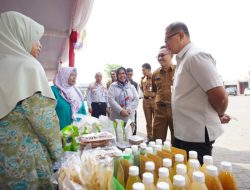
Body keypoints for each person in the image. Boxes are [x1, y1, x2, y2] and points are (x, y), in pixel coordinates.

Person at [0, 11, 62, 189]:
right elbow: (44, 122)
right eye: (35, 38)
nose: (40, 45)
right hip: (25, 164)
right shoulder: (28, 67)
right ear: (18, 36)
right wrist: (58, 153)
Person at [165, 22, 230, 164]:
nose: (166, 44)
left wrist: (219, 114)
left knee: (197, 178)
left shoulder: (196, 56)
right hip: (185, 132)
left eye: (167, 39)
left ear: (181, 35)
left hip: (197, 135)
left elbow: (220, 97)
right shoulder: (183, 59)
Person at [152, 46, 175, 144]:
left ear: (171, 55)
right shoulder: (155, 73)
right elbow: (155, 90)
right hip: (160, 110)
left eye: (162, 55)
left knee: (178, 141)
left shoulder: (178, 70)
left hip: (176, 110)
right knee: (157, 140)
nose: (160, 58)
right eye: (158, 56)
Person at [140, 63, 156, 141]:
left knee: (156, 121)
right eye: (142, 70)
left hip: (154, 100)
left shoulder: (155, 77)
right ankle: (149, 138)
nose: (142, 71)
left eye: (144, 70)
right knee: (148, 121)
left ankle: (156, 138)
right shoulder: (143, 79)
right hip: (146, 101)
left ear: (149, 69)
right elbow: (141, 89)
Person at [127, 68, 139, 134]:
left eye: (130, 74)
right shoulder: (121, 83)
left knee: (133, 123)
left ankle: (134, 137)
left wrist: (132, 107)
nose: (129, 76)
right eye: (128, 74)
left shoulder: (135, 84)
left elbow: (137, 97)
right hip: (124, 107)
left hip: (132, 108)